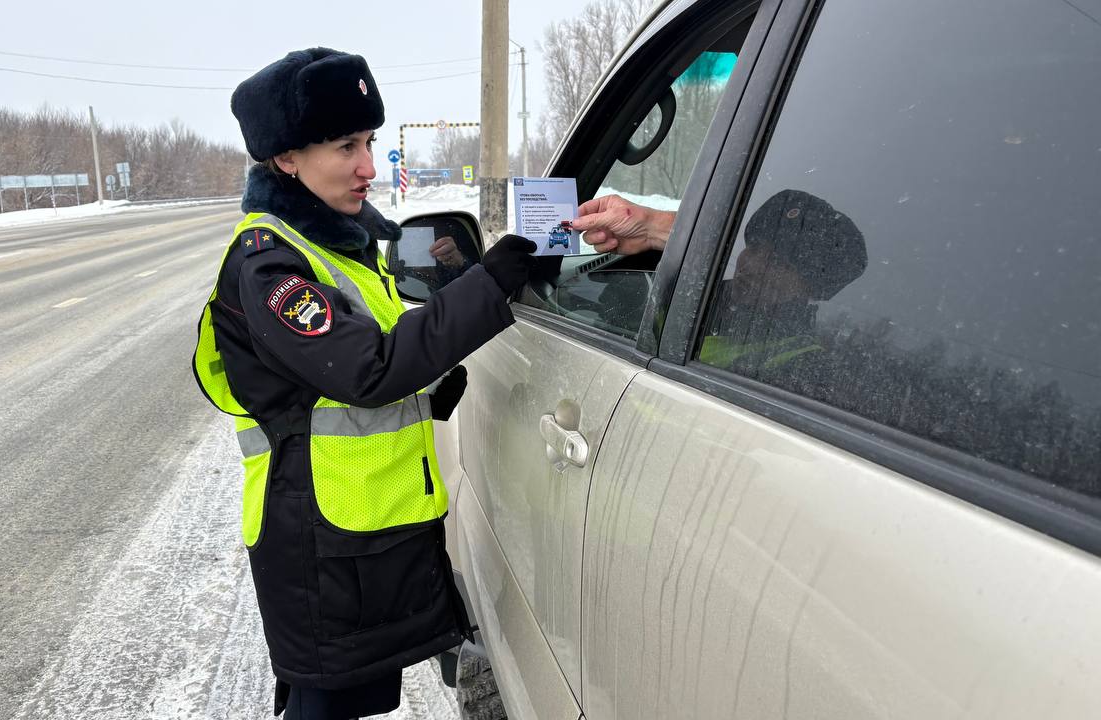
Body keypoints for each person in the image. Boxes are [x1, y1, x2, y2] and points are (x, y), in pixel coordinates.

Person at [191, 48, 536, 719]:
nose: (369, 166)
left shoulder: (338, 244)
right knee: (324, 708)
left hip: (359, 532)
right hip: (316, 542)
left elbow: (336, 380)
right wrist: (491, 282)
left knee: (353, 701)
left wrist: (434, 387)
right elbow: (367, 369)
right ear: (287, 158)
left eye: (371, 141)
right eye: (345, 145)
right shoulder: (271, 266)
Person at [574, 190, 867, 376]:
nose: (753, 266)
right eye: (754, 248)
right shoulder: (697, 300)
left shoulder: (802, 369)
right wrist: (651, 231)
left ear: (809, 288)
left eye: (778, 262)